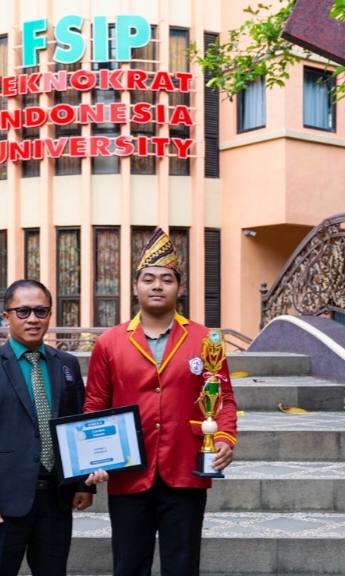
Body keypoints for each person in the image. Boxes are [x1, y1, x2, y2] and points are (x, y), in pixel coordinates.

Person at [84, 228, 238, 576]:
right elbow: (95, 404)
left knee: (182, 566)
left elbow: (224, 397)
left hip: (185, 467)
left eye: (167, 279)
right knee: (128, 566)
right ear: (135, 287)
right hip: (128, 471)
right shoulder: (109, 342)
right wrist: (95, 456)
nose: (157, 286)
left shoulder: (206, 339)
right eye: (149, 279)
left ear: (179, 288)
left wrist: (225, 438)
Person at [0, 279, 97, 576]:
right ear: (6, 317)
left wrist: (83, 484)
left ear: (50, 315)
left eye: (40, 311)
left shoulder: (67, 364)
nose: (32, 319)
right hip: (3, 501)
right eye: (22, 311)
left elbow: (79, 427)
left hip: (56, 500)